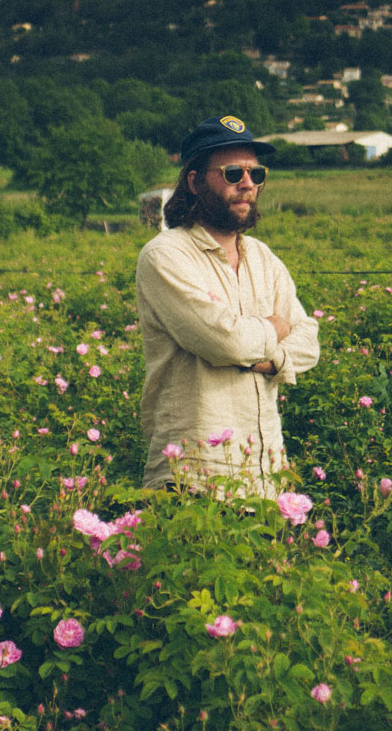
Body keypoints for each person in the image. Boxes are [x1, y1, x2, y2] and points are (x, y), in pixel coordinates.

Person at [137, 116, 320, 499]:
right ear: (194, 181)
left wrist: (267, 358)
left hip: (264, 476)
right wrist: (274, 328)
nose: (248, 184)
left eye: (257, 174)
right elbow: (227, 343)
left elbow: (309, 344)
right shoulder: (165, 256)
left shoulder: (263, 258)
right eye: (233, 172)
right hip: (191, 478)